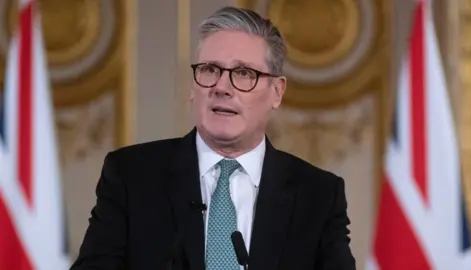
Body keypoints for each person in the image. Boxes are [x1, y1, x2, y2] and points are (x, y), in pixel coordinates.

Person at [70, 6, 356, 270]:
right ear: (193, 87)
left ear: (277, 92)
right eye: (209, 70)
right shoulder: (131, 175)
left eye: (244, 73)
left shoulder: (318, 195)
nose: (221, 86)